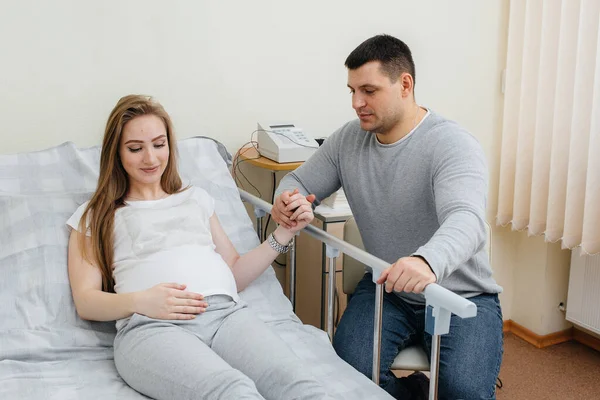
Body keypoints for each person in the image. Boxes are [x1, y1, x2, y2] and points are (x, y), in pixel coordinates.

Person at [271, 35, 503, 400]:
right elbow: (298, 181)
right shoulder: (348, 140)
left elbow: (467, 219)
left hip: (458, 293)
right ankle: (417, 389)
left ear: (405, 85)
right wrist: (287, 199)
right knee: (350, 374)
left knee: (463, 391)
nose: (356, 103)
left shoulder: (451, 144)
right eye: (351, 91)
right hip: (387, 288)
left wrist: (426, 260)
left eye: (368, 90)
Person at [66, 94, 332, 400]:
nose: (151, 159)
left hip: (225, 316)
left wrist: (284, 233)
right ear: (116, 153)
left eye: (159, 144)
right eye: (135, 149)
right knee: (233, 391)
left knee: (300, 384)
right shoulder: (97, 213)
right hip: (152, 328)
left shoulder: (196, 198)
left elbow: (234, 272)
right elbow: (86, 301)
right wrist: (141, 301)